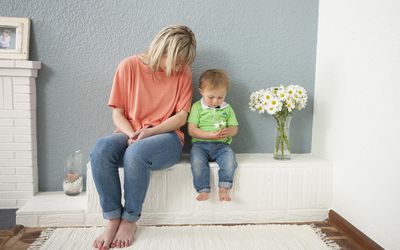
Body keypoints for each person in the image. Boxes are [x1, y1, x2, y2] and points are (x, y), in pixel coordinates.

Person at [90, 24, 196, 250]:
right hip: (130, 131)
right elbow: (117, 113)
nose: (181, 66)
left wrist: (149, 132)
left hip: (166, 137)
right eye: (178, 60)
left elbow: (181, 117)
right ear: (163, 50)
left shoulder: (183, 73)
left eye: (184, 62)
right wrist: (131, 133)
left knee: (137, 152)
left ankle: (129, 219)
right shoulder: (128, 66)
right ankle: (112, 219)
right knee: (101, 149)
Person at [188, 69, 239, 202]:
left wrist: (228, 131)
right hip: (200, 145)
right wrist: (209, 135)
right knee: (197, 162)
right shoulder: (197, 107)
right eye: (211, 97)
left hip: (222, 145)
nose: (215, 101)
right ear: (201, 91)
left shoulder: (227, 108)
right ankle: (203, 188)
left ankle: (224, 187)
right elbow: (192, 130)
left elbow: (234, 128)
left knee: (230, 160)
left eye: (220, 97)